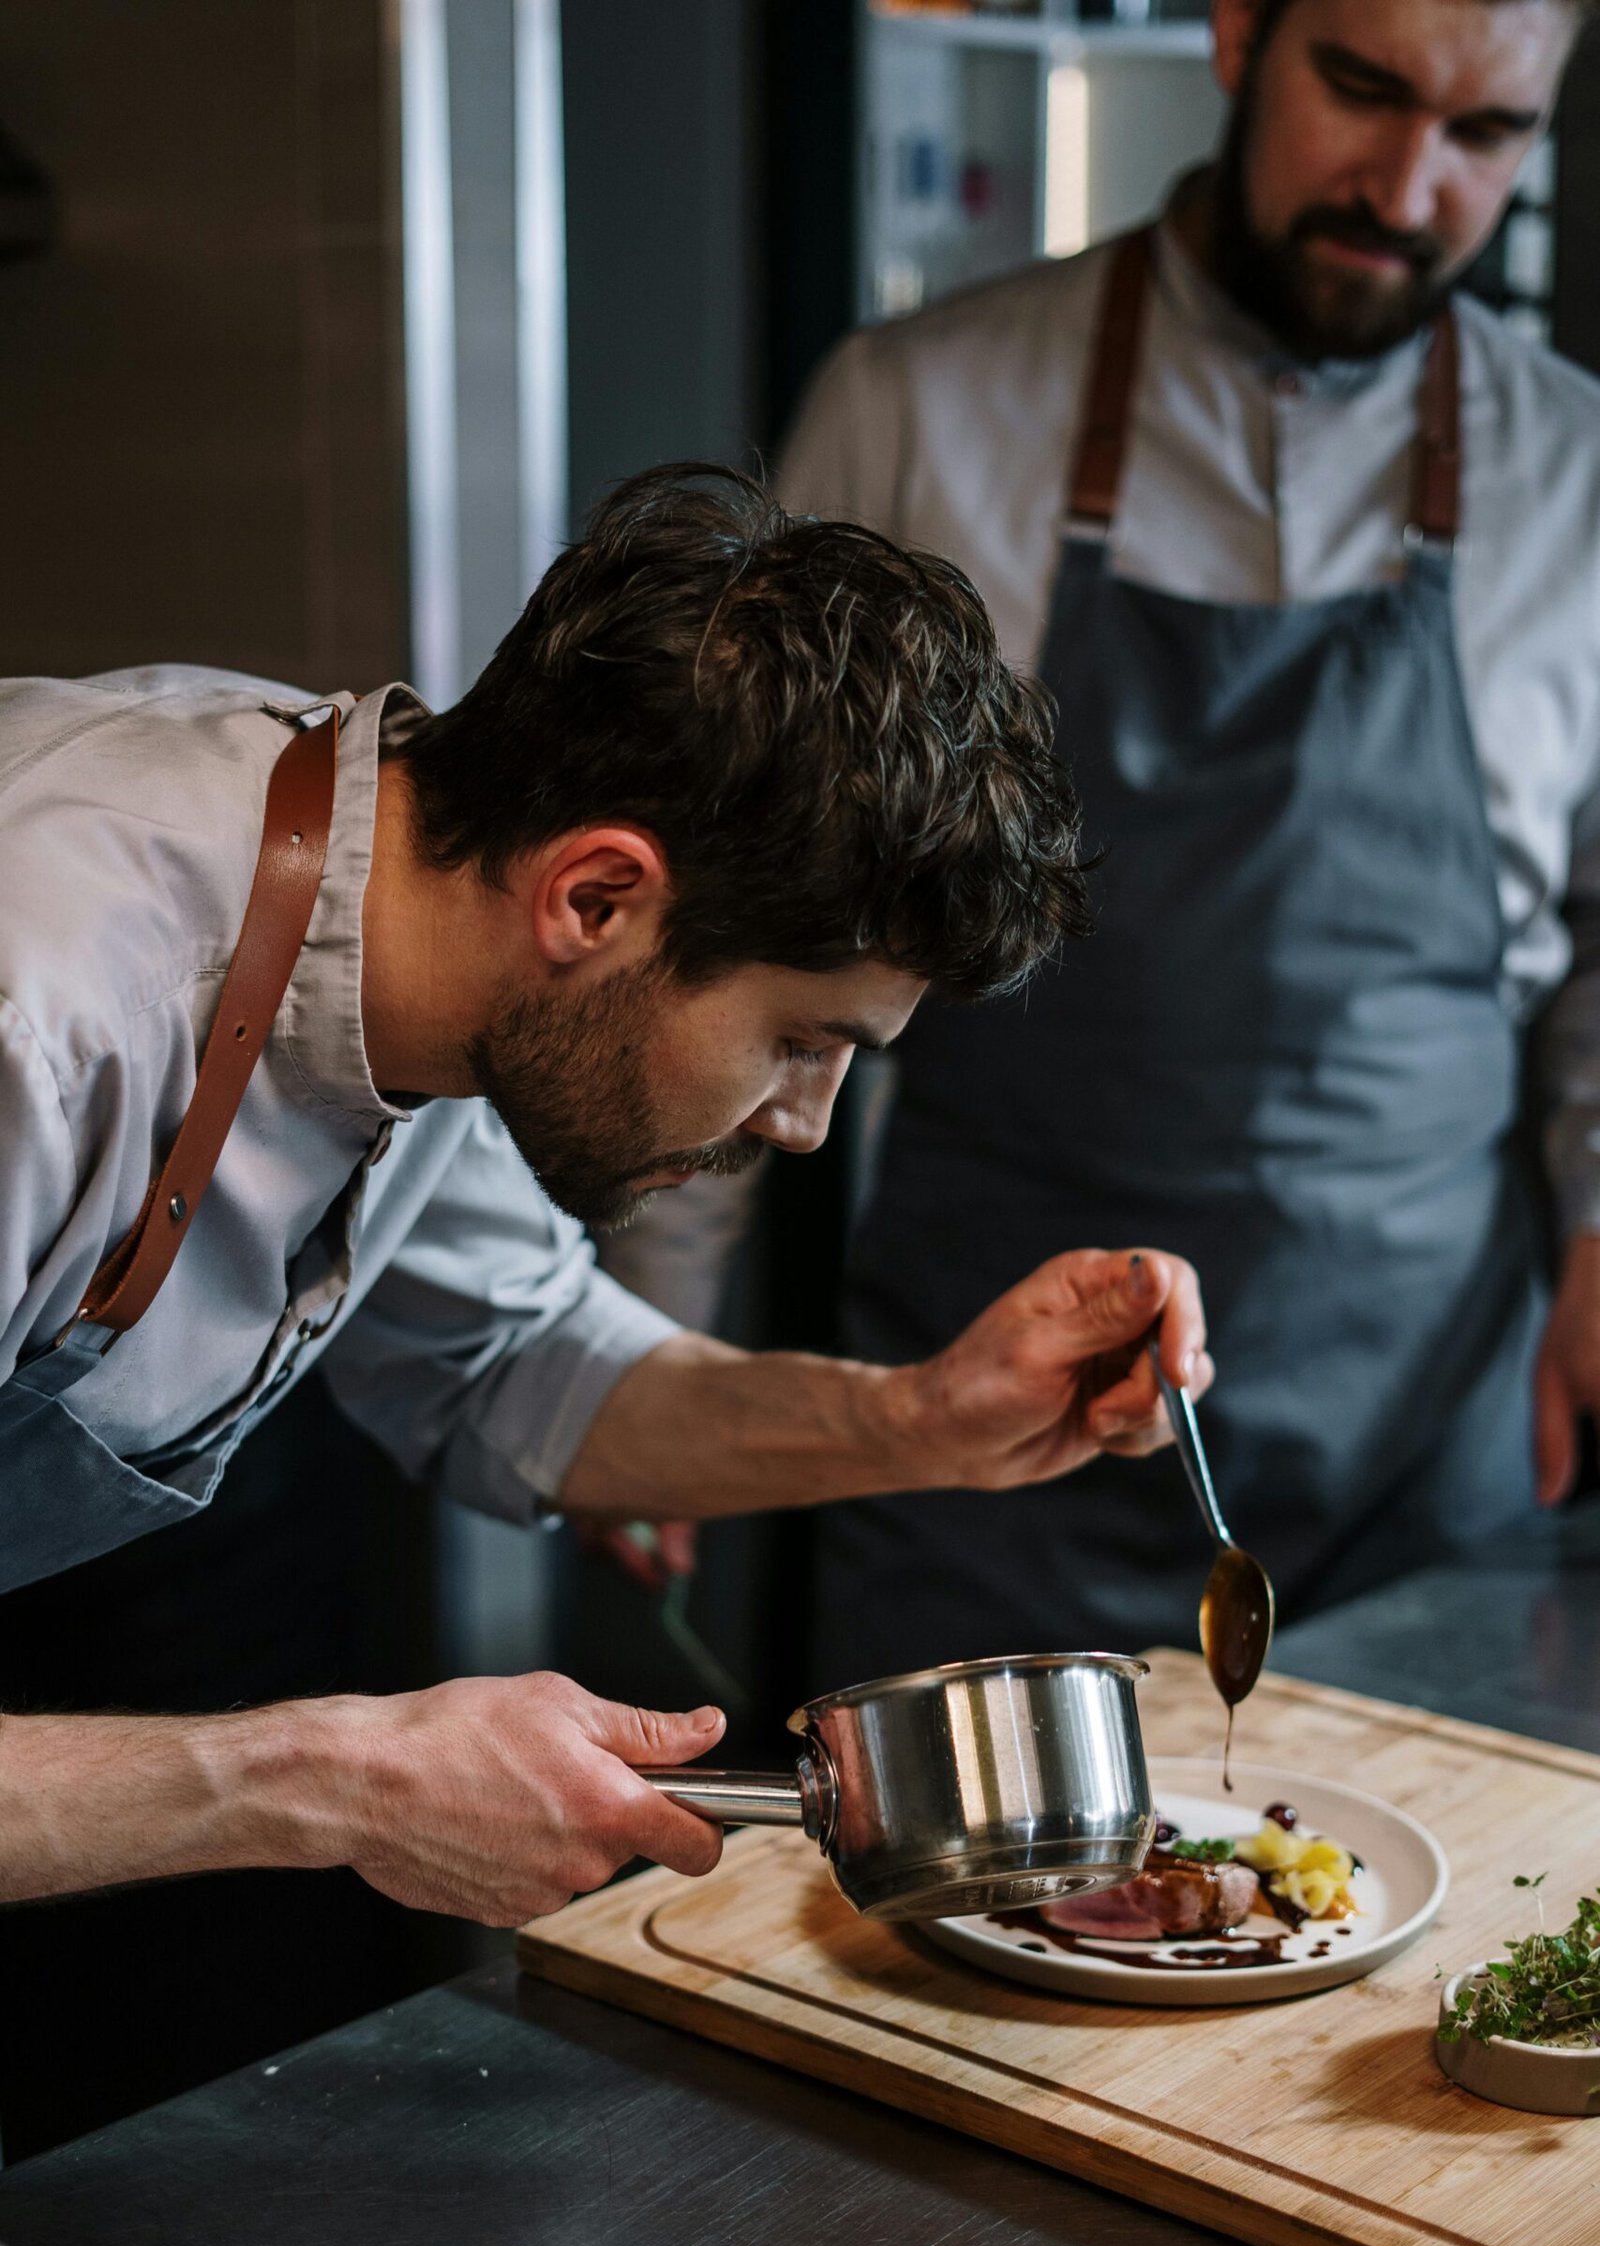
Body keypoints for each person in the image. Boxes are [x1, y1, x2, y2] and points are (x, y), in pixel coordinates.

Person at [0, 465, 1211, 1926]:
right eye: (801, 1040)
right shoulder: (44, 1026)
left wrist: (925, 1420)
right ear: (595, 899)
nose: (808, 1123)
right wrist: (332, 1781)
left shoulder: (418, 903)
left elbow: (518, 1367)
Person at [615, 0, 1600, 1690]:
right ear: (1238, 34)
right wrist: (650, 1357)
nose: (1406, 181)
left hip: (1421, 1441)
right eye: (1359, 88)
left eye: (1485, 134)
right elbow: (738, 909)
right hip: (983, 1429)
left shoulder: (1581, 475)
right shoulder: (919, 411)